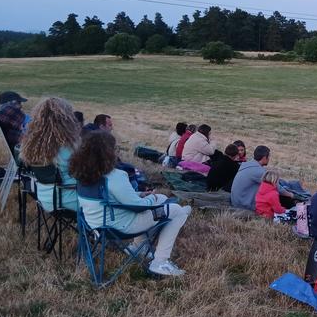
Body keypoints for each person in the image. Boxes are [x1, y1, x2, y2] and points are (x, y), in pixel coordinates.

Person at [69, 131, 191, 277]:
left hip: (95, 225)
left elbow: (113, 198)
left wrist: (141, 195)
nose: (116, 152)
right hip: (122, 226)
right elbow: (138, 207)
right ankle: (160, 261)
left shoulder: (83, 175)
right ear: (107, 152)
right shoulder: (115, 176)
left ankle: (138, 246)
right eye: (114, 148)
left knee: (161, 200)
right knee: (176, 210)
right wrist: (150, 198)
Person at [19, 97, 80, 211]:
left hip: (45, 199)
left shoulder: (31, 145)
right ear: (66, 120)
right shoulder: (69, 147)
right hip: (71, 200)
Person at [230, 145, 270, 210]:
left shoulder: (248, 164)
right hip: (243, 205)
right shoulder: (258, 171)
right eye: (268, 157)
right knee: (274, 194)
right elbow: (275, 186)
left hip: (236, 201)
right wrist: (290, 194)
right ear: (264, 157)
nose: (269, 159)